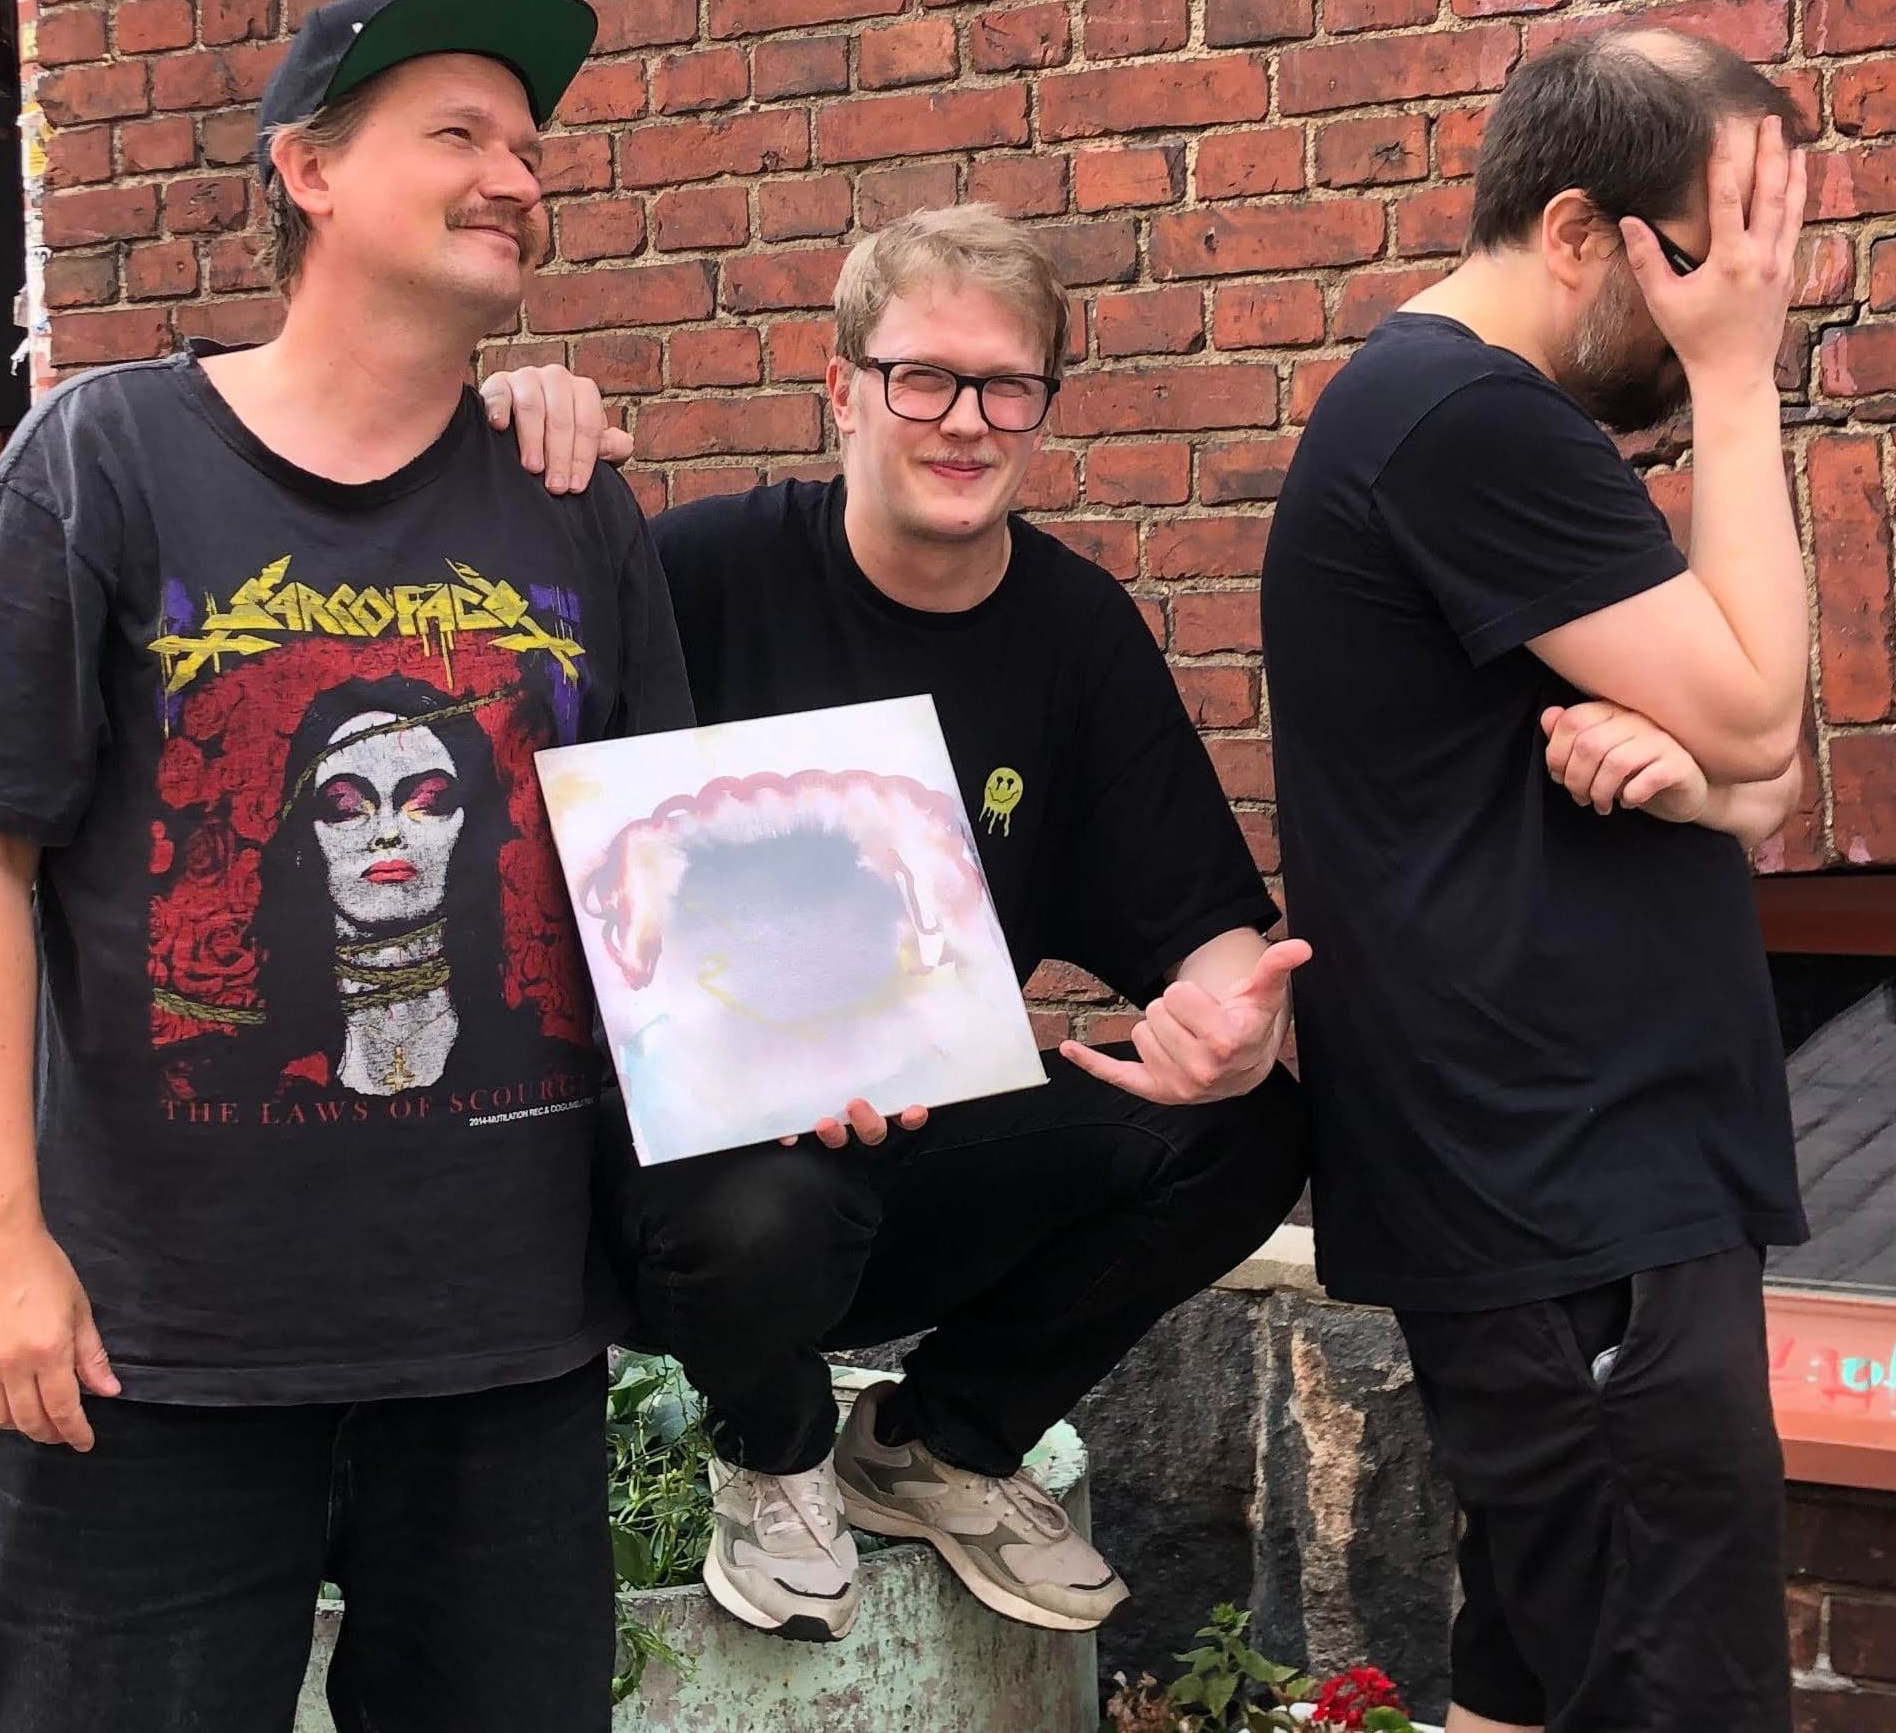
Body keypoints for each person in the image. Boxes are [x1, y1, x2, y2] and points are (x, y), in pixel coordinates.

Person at [0, 0, 693, 1733]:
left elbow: (653, 874)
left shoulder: (570, 498)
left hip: (502, 1347)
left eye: (530, 149)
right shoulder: (104, 460)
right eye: (459, 135)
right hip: (151, 1353)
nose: (516, 177)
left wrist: (821, 1049)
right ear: (309, 171)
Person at [484, 203, 1311, 1644]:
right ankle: (777, 1451)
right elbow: (489, 682)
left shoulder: (1075, 632)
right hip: (690, 1180)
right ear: (843, 388)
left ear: (1044, 405)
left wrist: (1233, 1013)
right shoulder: (697, 574)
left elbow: (1206, 924)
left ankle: (934, 1445)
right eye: (922, 377)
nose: (964, 421)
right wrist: (489, 432)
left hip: (923, 1145)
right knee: (765, 1201)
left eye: (1006, 386)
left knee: (1253, 1127)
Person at [1259, 27, 1812, 1733]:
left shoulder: (1458, 421)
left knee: (1525, 1680)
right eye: (1709, 260)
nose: (1741, 299)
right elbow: (1759, 702)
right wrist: (1736, 381)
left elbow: (1762, 766)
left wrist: (1710, 782)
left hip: (1565, 1192)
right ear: (1577, 231)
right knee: (1668, 1693)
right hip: (1574, 1190)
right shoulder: (1464, 423)